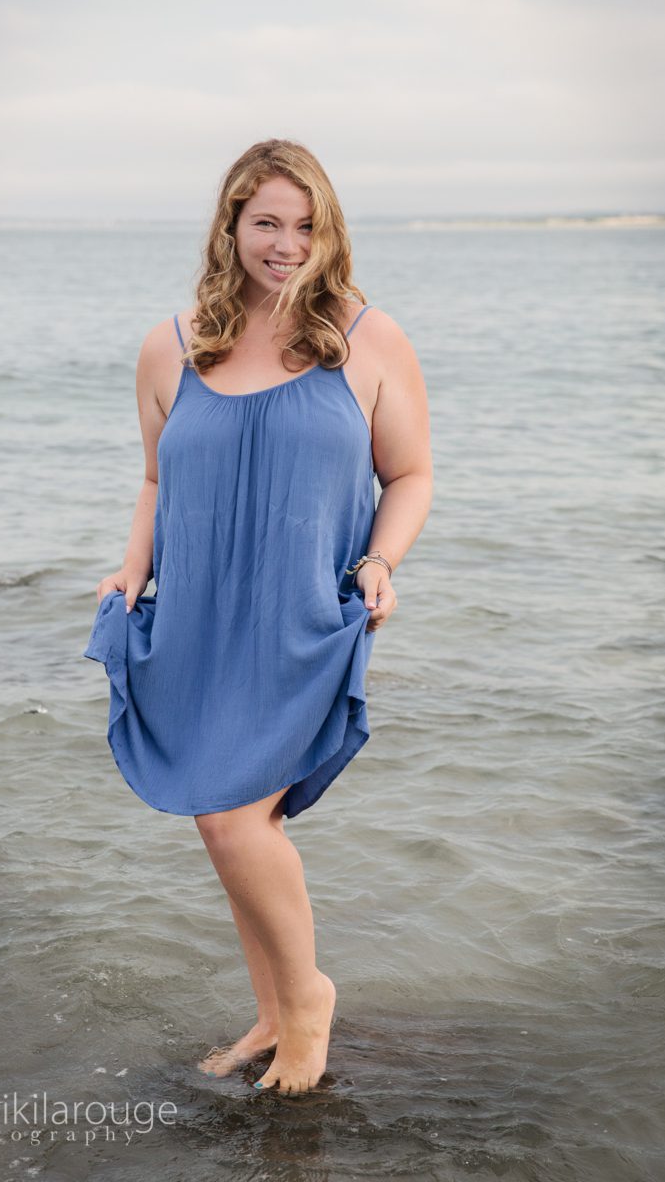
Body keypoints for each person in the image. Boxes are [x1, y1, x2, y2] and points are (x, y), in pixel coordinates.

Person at [83, 138, 433, 1096]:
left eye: (306, 225)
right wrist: (129, 569)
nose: (286, 244)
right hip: (194, 616)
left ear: (330, 232)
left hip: (298, 618)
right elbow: (157, 477)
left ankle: (308, 1006)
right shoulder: (173, 343)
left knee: (242, 823)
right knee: (219, 821)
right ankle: (276, 1009)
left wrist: (380, 561)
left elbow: (410, 475)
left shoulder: (369, 339)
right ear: (230, 225)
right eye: (267, 222)